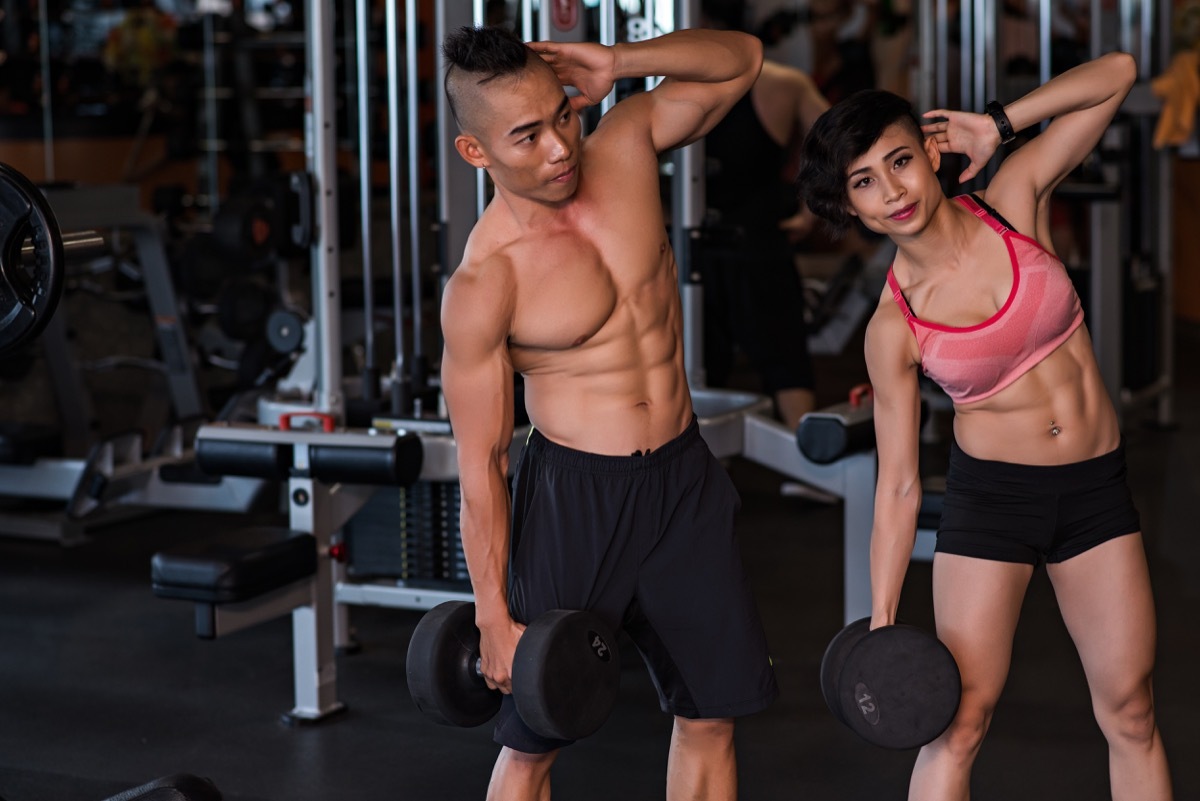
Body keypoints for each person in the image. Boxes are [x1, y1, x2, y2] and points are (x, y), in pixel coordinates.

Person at [797, 52, 1173, 800]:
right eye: (864, 182)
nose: (893, 191)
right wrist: (882, 620)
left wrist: (998, 123)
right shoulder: (892, 327)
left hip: (1096, 491)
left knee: (1132, 711)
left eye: (900, 160)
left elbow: (1119, 72)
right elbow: (899, 485)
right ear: (851, 207)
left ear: (933, 151)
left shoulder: (1013, 198)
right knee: (959, 721)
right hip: (991, 505)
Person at [438, 25, 777, 801]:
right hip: (576, 501)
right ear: (477, 153)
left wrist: (622, 63)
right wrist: (492, 611)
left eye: (563, 115)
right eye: (527, 135)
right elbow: (483, 462)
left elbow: (743, 61)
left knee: (711, 714)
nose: (560, 147)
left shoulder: (623, 144)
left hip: (683, 479)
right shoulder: (486, 283)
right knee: (535, 736)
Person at [699, 0, 829, 430]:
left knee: (700, 364)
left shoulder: (672, 88)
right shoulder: (784, 83)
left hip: (699, 246)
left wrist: (812, 211)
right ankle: (808, 468)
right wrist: (810, 210)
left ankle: (716, 464)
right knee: (783, 360)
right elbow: (840, 144)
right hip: (755, 243)